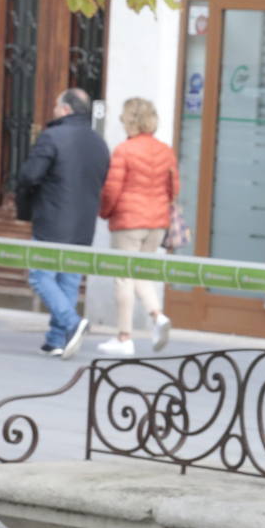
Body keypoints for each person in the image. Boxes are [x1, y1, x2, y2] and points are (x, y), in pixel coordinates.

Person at [16, 87, 109, 359]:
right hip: (83, 224)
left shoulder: (52, 137)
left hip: (52, 220)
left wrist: (27, 200)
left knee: (41, 276)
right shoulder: (98, 142)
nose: (54, 111)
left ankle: (71, 322)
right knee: (68, 281)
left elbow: (30, 176)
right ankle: (56, 340)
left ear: (66, 109)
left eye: (57, 106)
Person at [96, 97, 177, 355]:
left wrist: (105, 212)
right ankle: (158, 317)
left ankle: (124, 337)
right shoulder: (165, 151)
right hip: (157, 222)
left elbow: (112, 189)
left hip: (129, 221)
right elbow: (173, 188)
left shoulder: (124, 150)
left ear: (128, 120)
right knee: (141, 272)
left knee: (124, 277)